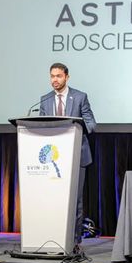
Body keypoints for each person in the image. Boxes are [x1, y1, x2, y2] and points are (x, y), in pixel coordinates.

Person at [38, 63, 97, 249]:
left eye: (58, 76)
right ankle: (52, 237)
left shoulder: (80, 97)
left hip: (77, 156)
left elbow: (91, 124)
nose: (55, 80)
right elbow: (40, 125)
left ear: (67, 77)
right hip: (53, 158)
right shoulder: (45, 100)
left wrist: (75, 127)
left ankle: (74, 241)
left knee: (75, 200)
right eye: (52, 76)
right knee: (53, 199)